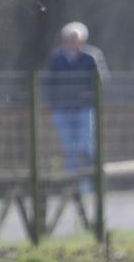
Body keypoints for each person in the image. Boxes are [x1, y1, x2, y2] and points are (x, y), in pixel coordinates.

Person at [43, 21, 106, 196]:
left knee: (86, 147)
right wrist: (54, 102)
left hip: (84, 109)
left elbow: (101, 81)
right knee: (69, 149)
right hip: (62, 109)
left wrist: (90, 94)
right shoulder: (56, 58)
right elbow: (49, 83)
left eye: (76, 39)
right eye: (70, 39)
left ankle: (88, 184)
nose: (73, 42)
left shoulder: (91, 57)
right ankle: (73, 186)